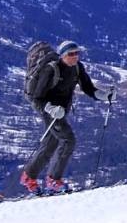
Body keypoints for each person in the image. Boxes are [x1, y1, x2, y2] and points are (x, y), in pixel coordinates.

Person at [20, 40, 112, 194]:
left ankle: (29, 177)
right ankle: (53, 180)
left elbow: (88, 88)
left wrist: (105, 95)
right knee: (68, 140)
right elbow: (37, 98)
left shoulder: (77, 67)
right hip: (50, 112)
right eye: (71, 54)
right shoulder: (51, 70)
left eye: (77, 53)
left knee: (50, 144)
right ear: (62, 55)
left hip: (62, 110)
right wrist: (50, 109)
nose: (75, 56)